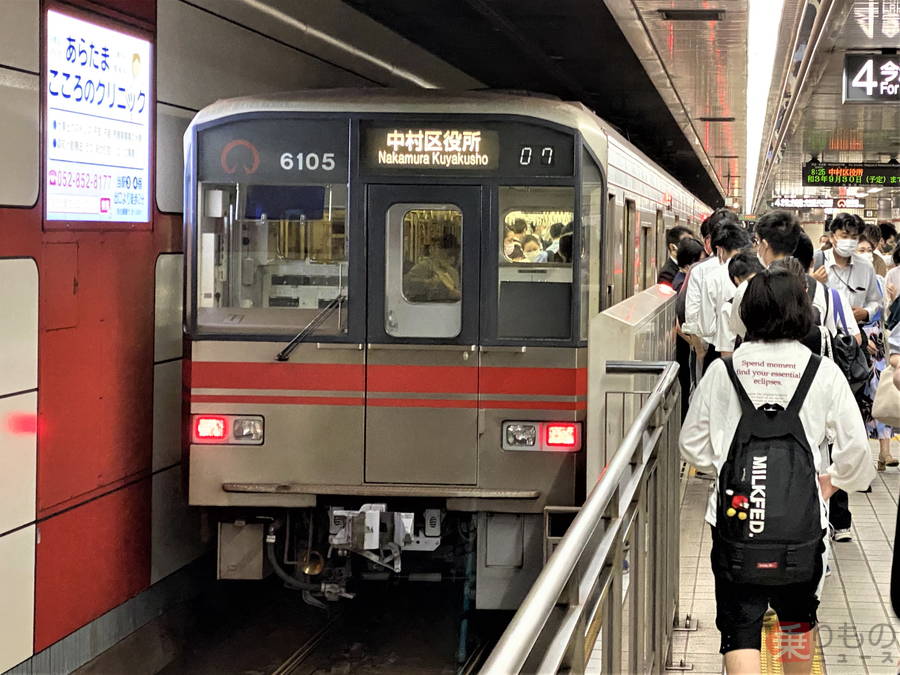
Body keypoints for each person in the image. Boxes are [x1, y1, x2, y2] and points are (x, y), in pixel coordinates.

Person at [680, 267, 874, 675]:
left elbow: (692, 446)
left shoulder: (723, 371)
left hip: (735, 518)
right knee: (798, 621)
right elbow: (858, 454)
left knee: (740, 626)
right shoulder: (822, 372)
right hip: (801, 522)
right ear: (802, 312)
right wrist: (831, 481)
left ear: (747, 313)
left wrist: (729, 469)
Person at [682, 208, 742, 374]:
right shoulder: (756, 268)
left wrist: (700, 352)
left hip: (714, 350)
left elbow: (698, 321)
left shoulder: (703, 272)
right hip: (747, 352)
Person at [696, 223, 752, 360]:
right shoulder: (758, 272)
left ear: (719, 250)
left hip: (717, 352)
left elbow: (706, 328)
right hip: (750, 351)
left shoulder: (712, 278)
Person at [404, 233, 461, 301]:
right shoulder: (424, 266)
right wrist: (428, 283)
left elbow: (456, 292)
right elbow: (407, 284)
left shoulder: (453, 272)